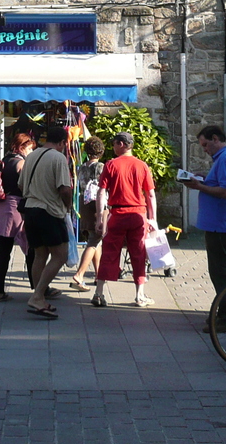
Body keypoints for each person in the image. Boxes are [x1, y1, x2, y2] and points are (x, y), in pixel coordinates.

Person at [180, 126, 226, 332]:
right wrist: (204, 180)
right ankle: (224, 314)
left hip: (220, 224)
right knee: (220, 272)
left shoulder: (225, 158)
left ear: (216, 139)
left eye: (206, 145)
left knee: (222, 273)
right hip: (220, 223)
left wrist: (200, 186)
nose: (205, 150)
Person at [91, 132, 158, 308]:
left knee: (109, 252)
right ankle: (140, 295)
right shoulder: (142, 165)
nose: (113, 147)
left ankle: (99, 293)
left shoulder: (111, 165)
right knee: (138, 254)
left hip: (117, 214)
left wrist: (99, 216)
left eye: (114, 144)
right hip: (138, 215)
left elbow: (102, 192)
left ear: (121, 144)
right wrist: (153, 219)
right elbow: (150, 194)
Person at [19, 125, 73, 318]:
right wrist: (68, 206)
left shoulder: (31, 156)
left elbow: (21, 184)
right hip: (49, 211)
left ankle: (38, 296)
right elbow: (65, 189)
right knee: (60, 255)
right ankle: (38, 295)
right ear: (62, 143)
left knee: (40, 255)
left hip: (30, 210)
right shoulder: (58, 158)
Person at [0, 132, 34, 302]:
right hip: (15, 209)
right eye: (29, 148)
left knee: (4, 250)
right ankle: (39, 287)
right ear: (22, 147)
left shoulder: (6, 159)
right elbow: (25, 186)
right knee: (30, 248)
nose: (30, 152)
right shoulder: (21, 162)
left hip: (2, 207)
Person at [68, 136, 105, 291]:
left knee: (95, 238)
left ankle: (98, 274)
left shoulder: (81, 168)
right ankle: (79, 274)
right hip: (97, 204)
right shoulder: (102, 167)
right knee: (94, 240)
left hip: (84, 203)